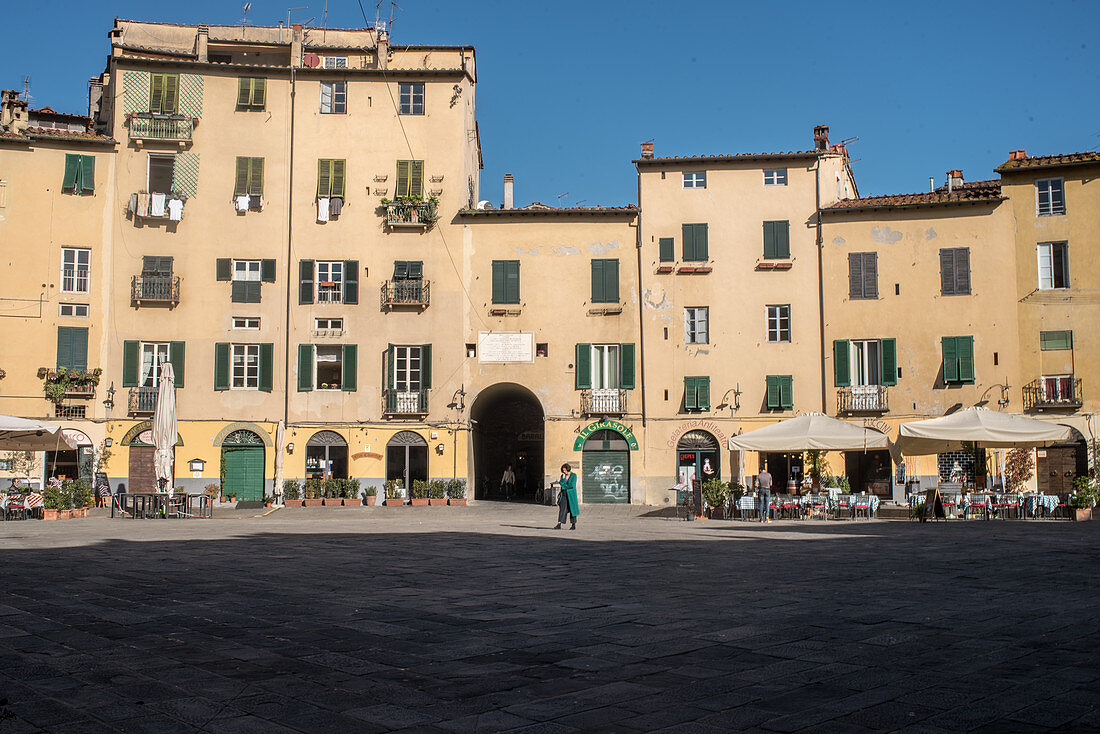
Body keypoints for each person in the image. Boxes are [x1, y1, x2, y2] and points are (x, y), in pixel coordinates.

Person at [554, 463, 579, 530]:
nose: (564, 471)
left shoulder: (574, 476)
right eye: (563, 470)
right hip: (564, 494)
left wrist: (564, 486)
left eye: (565, 470)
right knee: (562, 509)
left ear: (568, 469)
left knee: (572, 509)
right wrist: (564, 479)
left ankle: (573, 524)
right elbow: (561, 483)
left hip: (571, 495)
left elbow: (572, 485)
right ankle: (559, 524)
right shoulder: (563, 476)